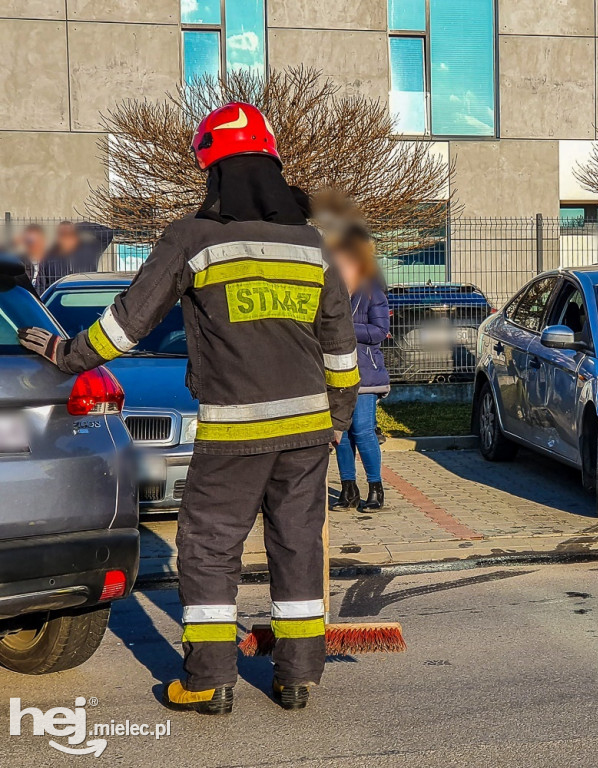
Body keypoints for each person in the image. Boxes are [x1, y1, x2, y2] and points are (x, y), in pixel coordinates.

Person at [17, 102, 360, 715]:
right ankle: (298, 678)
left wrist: (65, 354)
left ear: (214, 172)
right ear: (273, 168)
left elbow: (127, 325)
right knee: (298, 545)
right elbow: (340, 348)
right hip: (309, 431)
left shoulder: (194, 237)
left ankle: (208, 679)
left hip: (234, 432)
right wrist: (336, 423)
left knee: (207, 546)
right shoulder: (312, 246)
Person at [322, 212, 390, 511]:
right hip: (336, 373)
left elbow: (379, 331)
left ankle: (376, 488)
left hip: (365, 375)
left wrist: (345, 328)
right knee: (341, 433)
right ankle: (348, 489)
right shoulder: (331, 294)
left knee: (362, 429)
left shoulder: (372, 293)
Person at [36, 220, 114, 292]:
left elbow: (108, 233)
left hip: (85, 296)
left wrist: (81, 226)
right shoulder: (49, 256)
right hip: (60, 301)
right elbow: (40, 286)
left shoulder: (89, 249)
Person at [16, 224, 47, 291]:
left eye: (35, 240)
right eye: (29, 241)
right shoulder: (20, 260)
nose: (33, 244)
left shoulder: (49, 260)